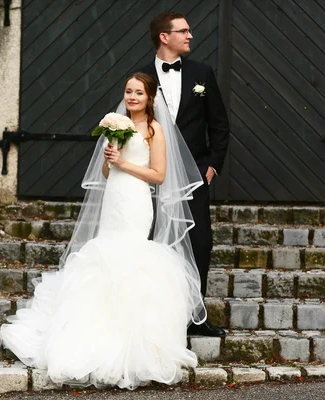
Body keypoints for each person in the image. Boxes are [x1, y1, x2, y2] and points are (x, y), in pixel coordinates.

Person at [0, 72, 207, 390]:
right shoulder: (116, 126)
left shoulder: (154, 129)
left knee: (130, 258)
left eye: (139, 92)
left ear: (150, 98)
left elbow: (159, 175)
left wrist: (123, 164)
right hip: (115, 198)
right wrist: (111, 160)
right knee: (104, 255)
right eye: (128, 91)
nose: (132, 97)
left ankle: (131, 344)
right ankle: (93, 334)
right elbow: (106, 172)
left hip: (137, 203)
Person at [138, 12, 230, 337]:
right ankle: (153, 315)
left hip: (195, 176)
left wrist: (213, 165)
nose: (190, 35)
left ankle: (197, 316)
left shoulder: (202, 73)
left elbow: (219, 123)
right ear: (165, 37)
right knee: (154, 243)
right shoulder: (142, 77)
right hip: (155, 176)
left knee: (199, 242)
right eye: (183, 31)